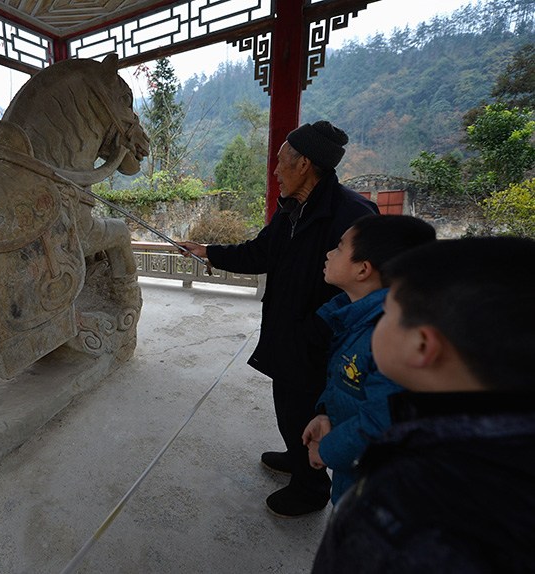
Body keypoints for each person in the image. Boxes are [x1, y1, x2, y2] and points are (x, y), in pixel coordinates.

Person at [179, 120, 378, 517]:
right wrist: (208, 252)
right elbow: (261, 254)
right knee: (288, 406)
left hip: (321, 339)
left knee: (310, 408)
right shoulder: (291, 210)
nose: (275, 170)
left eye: (280, 161)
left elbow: (366, 284)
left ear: (303, 163)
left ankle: (310, 489)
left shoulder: (353, 214)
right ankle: (296, 453)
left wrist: (316, 329)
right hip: (287, 330)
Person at [311, 236, 535, 573]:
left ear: (422, 345)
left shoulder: (403, 506)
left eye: (387, 312)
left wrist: (328, 449)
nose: (378, 320)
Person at [301, 214, 436, 506]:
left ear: (363, 269)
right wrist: (326, 414)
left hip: (379, 492)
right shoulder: (355, 317)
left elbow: (383, 422)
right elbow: (348, 383)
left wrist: (326, 451)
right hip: (356, 474)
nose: (329, 253)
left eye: (338, 247)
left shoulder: (392, 334)